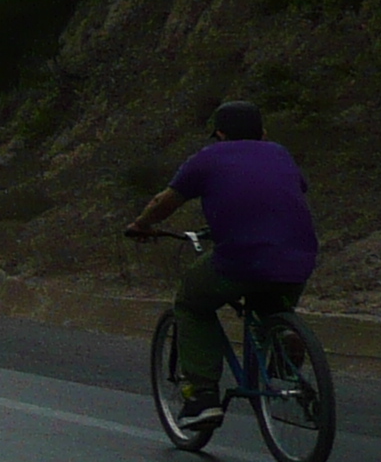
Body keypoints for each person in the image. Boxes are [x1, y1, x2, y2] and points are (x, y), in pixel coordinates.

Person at [126, 101, 319, 422]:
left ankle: (203, 396)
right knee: (271, 308)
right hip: (297, 257)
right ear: (264, 132)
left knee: (191, 303)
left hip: (242, 257)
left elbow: (165, 202)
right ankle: (283, 346)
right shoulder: (280, 154)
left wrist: (142, 225)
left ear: (219, 133)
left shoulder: (208, 158)